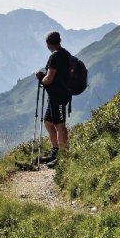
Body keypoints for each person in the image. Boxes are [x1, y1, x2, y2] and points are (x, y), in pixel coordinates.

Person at [34, 31, 71, 167]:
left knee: (60, 125)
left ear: (48, 44)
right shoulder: (65, 54)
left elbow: (49, 79)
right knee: (48, 122)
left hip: (58, 96)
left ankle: (63, 156)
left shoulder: (55, 57)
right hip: (57, 95)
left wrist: (41, 78)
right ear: (59, 41)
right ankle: (55, 151)